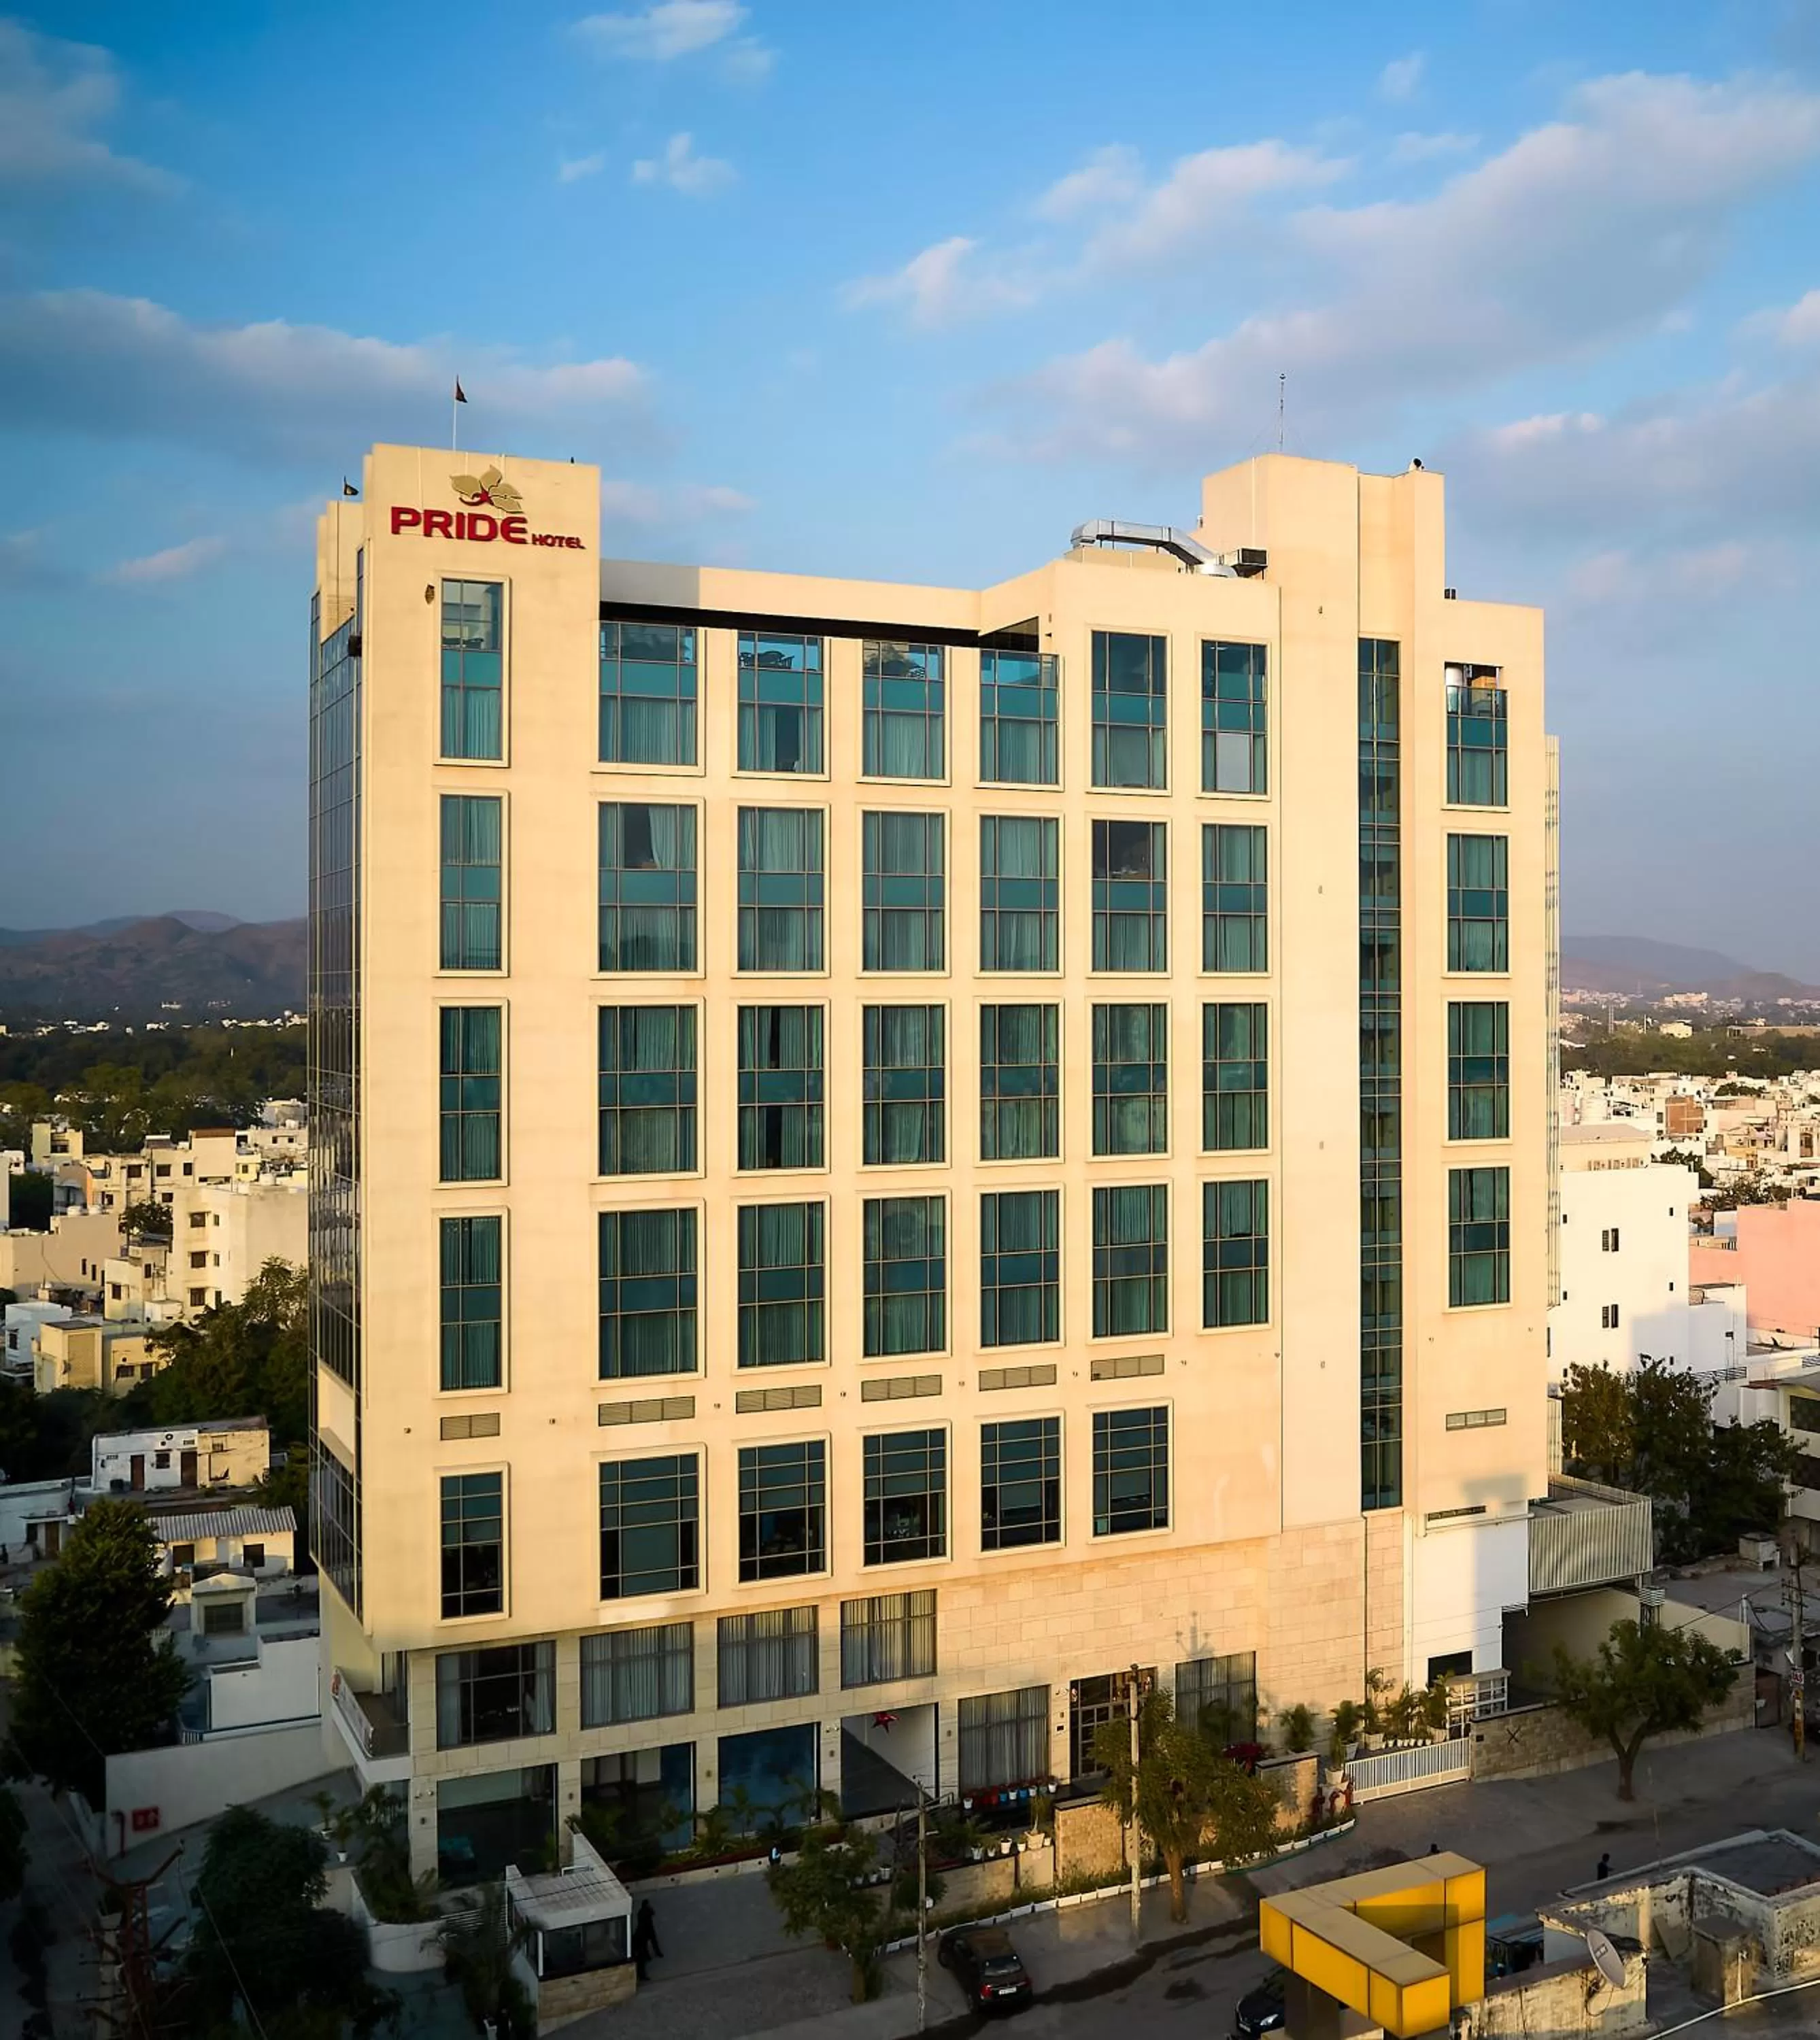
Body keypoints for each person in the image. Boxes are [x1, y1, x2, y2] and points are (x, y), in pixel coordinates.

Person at [632, 1899, 662, 1983]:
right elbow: (653, 1913)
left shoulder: (640, 1912)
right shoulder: (647, 1911)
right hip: (647, 1930)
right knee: (652, 1943)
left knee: (645, 1945)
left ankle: (649, 1956)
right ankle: (656, 1953)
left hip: (643, 1931)